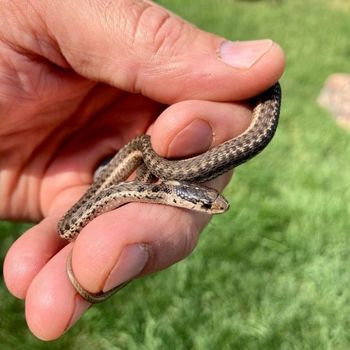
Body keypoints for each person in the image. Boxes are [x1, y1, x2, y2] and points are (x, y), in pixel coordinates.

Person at [1, 0, 285, 341]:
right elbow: (80, 221)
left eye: (207, 201)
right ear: (185, 198)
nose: (214, 204)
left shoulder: (149, 180)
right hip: (118, 176)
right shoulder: (141, 181)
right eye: (207, 203)